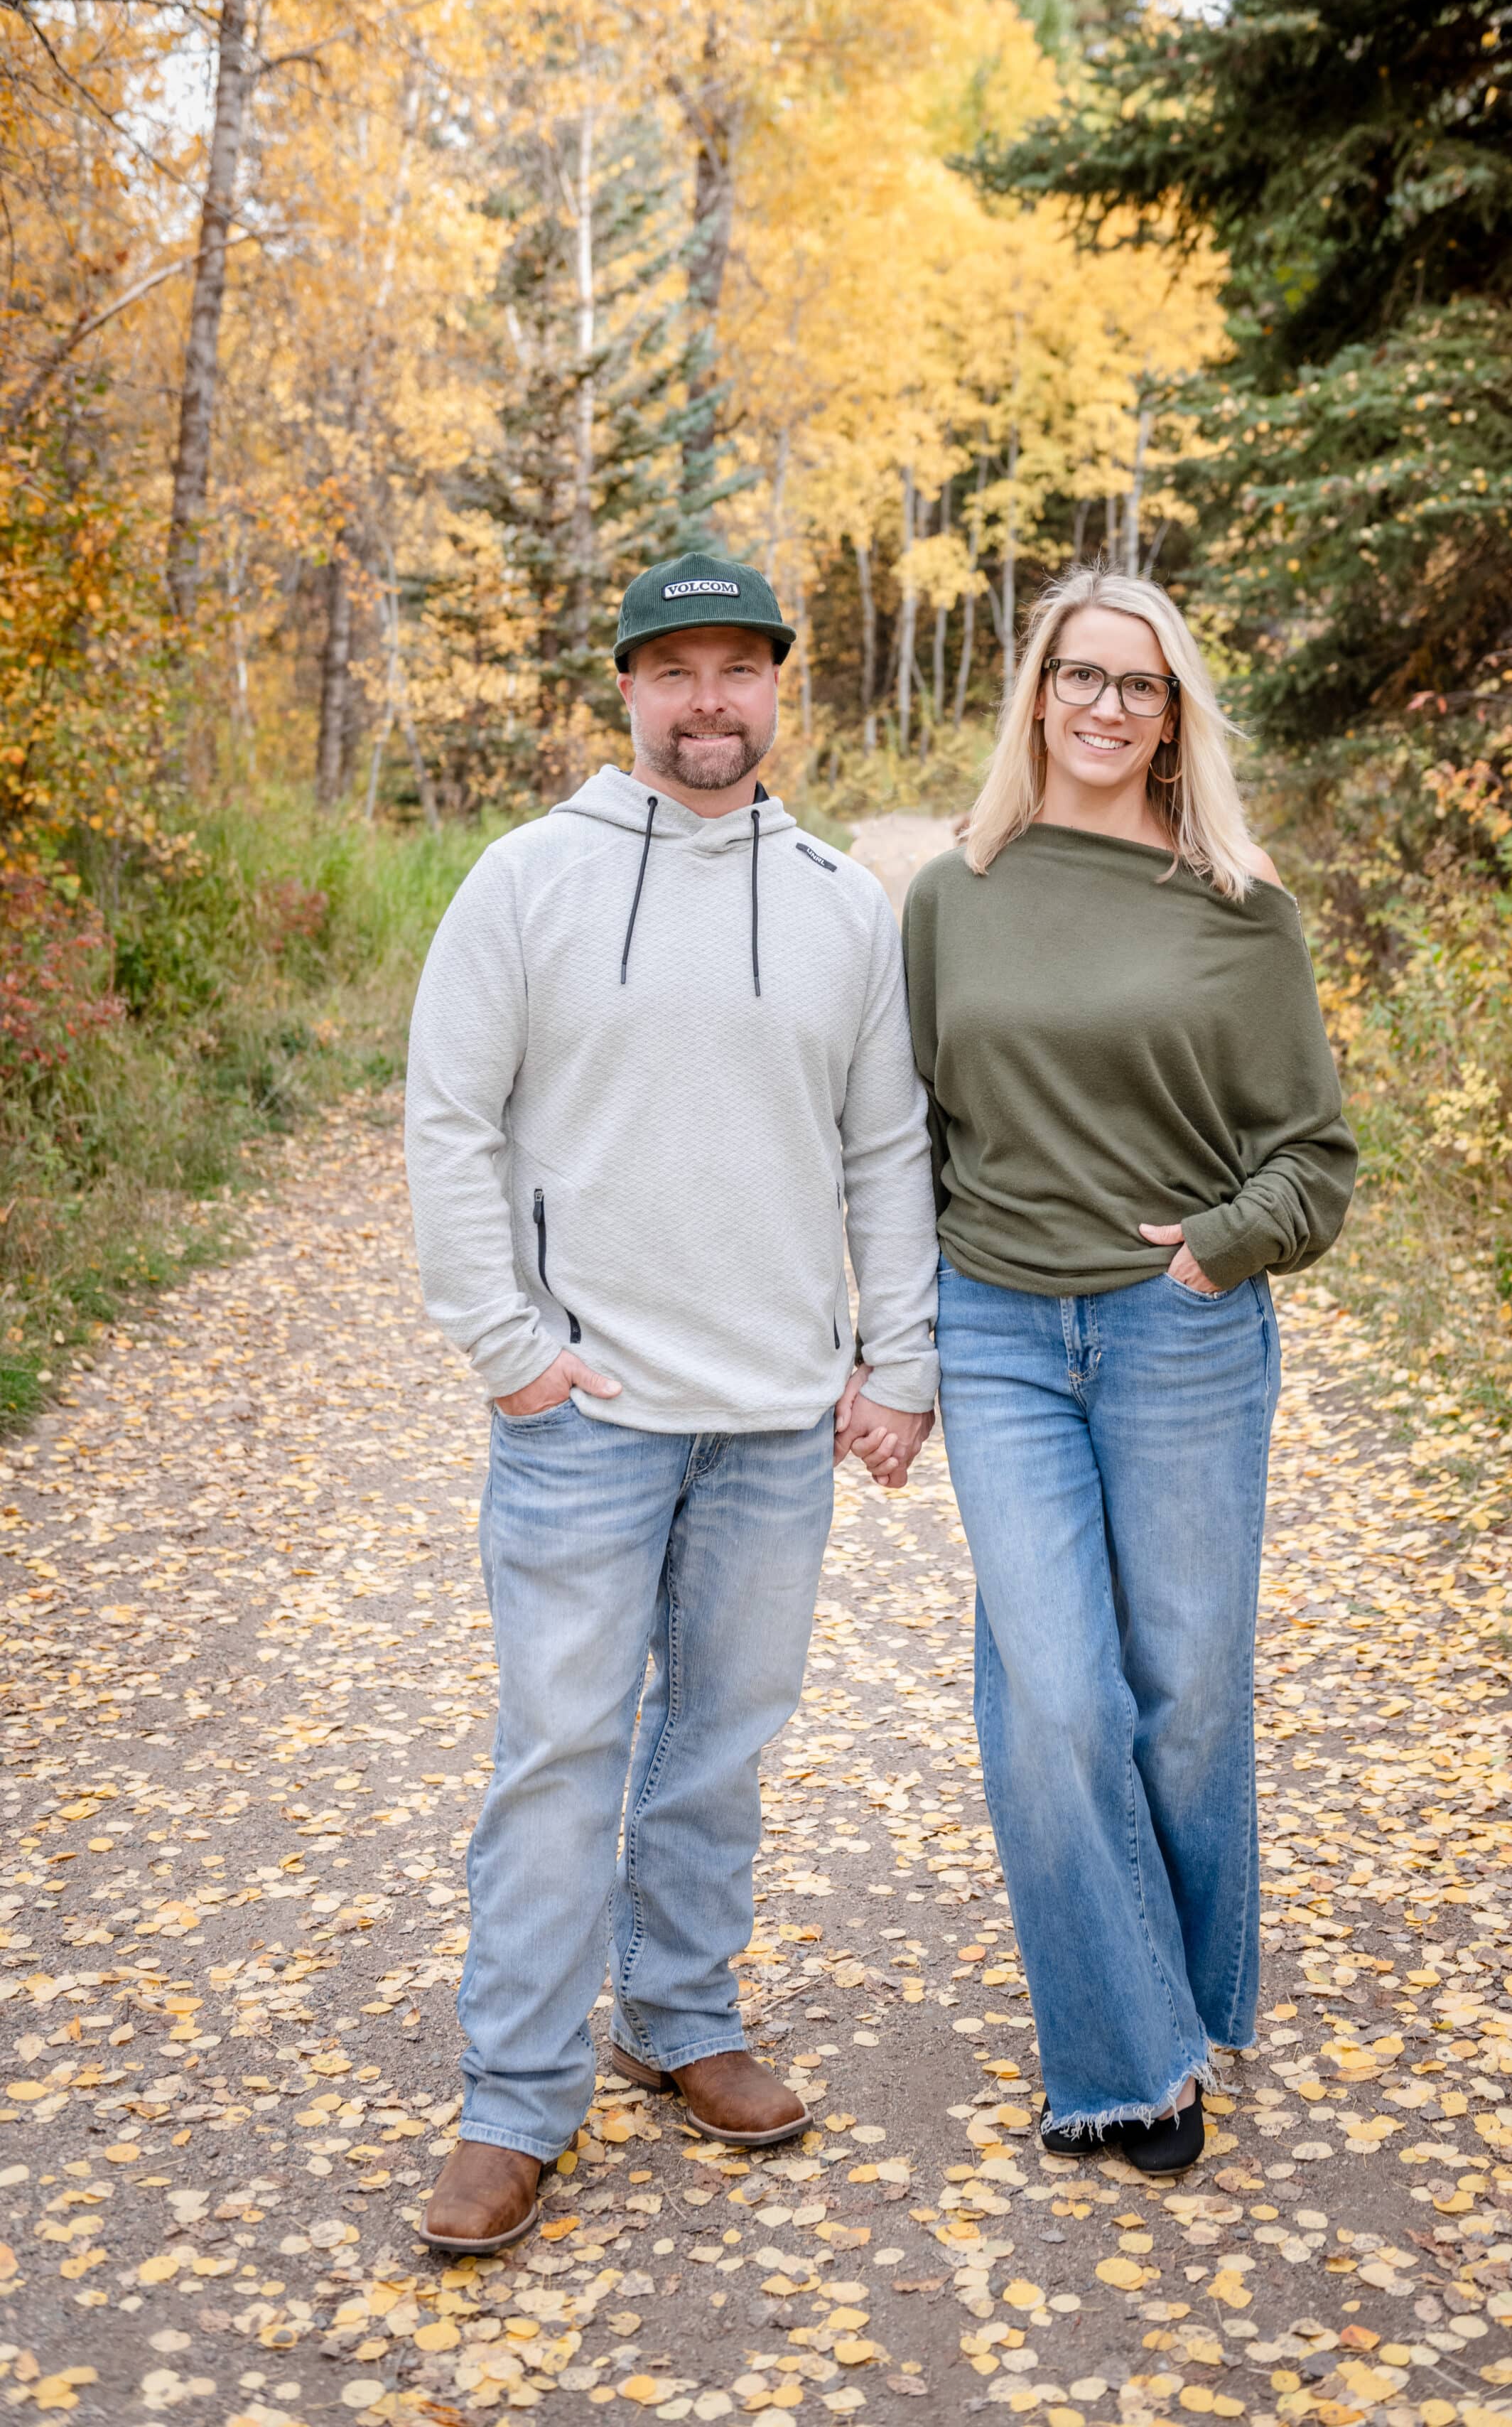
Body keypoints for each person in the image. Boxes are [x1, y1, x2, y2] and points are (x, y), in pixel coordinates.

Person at [405, 551, 936, 2252]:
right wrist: (506, 1347)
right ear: (627, 690)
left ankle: (682, 2017)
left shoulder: (842, 902)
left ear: (777, 686)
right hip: (587, 1416)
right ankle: (513, 2103)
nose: (710, 701)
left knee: (718, 1744)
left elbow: (885, 1148)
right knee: (560, 1755)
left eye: (738, 669)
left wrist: (897, 1360)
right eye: (676, 670)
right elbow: (448, 1120)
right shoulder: (526, 881)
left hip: (775, 1417)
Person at [903, 564, 1355, 2176]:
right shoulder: (954, 893)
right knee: (1057, 1700)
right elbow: (908, 1135)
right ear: (1036, 693)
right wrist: (895, 1344)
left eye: (1138, 685)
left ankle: (1185, 1999)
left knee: (1185, 1699)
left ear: (1173, 719)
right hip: (1000, 1332)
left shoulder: (1235, 904)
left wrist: (1221, 1246)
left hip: (1179, 1335)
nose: (1104, 706)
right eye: (1078, 676)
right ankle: (1124, 2061)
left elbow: (1315, 1157)